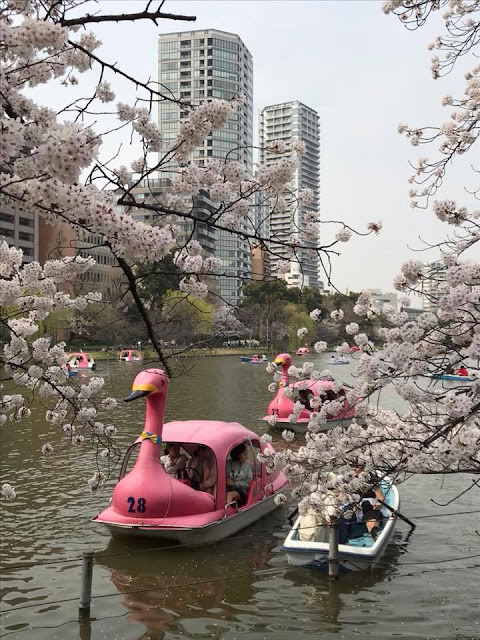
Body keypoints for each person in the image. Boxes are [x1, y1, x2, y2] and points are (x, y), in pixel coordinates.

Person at [352, 462, 385, 537]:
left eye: (357, 467)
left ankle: (375, 535)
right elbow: (340, 497)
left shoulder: (372, 479)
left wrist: (379, 505)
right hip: (353, 506)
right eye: (352, 467)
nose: (354, 469)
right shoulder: (348, 478)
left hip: (369, 506)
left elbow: (380, 497)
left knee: (371, 522)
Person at [226, 443, 252, 507]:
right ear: (237, 455)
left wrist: (234, 484)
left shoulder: (247, 466)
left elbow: (248, 485)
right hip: (226, 488)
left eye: (246, 454)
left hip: (241, 491)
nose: (247, 457)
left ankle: (225, 513)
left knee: (229, 494)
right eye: (244, 454)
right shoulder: (227, 464)